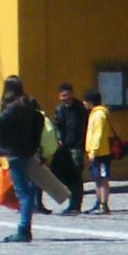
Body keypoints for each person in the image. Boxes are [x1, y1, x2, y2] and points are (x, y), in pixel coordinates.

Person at [0, 77, 44, 243]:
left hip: (15, 152)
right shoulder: (28, 105)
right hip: (27, 152)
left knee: (23, 192)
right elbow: (39, 122)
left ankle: (24, 230)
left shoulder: (15, 107)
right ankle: (24, 228)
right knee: (26, 190)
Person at [50, 82, 89, 216]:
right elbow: (57, 125)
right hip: (64, 148)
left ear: (71, 94)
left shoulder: (80, 109)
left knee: (76, 176)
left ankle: (76, 204)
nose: (64, 98)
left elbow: (84, 127)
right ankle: (71, 201)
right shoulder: (59, 109)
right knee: (64, 175)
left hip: (77, 147)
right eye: (62, 96)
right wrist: (59, 139)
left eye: (66, 95)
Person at [82, 89, 119, 215]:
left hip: (101, 154)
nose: (84, 103)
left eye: (85, 101)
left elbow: (98, 134)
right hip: (97, 153)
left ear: (90, 102)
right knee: (97, 179)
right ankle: (98, 203)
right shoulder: (94, 113)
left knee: (102, 179)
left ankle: (103, 204)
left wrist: (93, 151)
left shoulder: (99, 115)